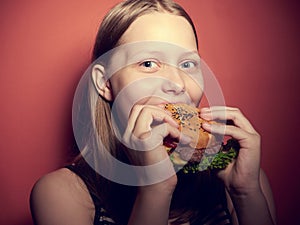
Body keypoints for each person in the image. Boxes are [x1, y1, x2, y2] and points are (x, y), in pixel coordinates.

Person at [30, 0, 277, 224]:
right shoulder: (61, 194)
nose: (178, 84)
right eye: (148, 63)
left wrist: (245, 194)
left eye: (187, 64)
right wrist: (155, 189)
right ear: (105, 83)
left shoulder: (240, 180)